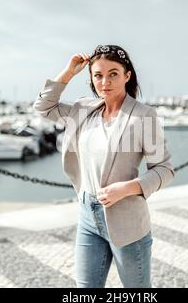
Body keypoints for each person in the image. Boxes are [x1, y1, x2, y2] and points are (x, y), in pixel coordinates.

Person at [34, 44, 174, 288]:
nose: (105, 82)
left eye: (113, 74)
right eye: (98, 75)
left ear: (127, 75)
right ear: (90, 78)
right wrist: (68, 72)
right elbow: (44, 107)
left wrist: (127, 188)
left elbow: (164, 168)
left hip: (127, 222)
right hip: (88, 216)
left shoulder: (143, 116)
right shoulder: (83, 110)